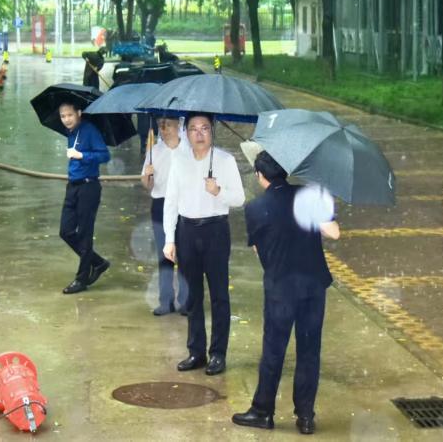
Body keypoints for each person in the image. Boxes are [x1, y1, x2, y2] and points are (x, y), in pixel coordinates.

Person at [232, 152, 340, 435]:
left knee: (273, 351)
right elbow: (334, 233)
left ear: (260, 176)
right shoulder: (308, 195)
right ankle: (305, 417)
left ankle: (263, 412)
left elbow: (260, 252)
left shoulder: (256, 208)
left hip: (281, 288)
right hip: (313, 286)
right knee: (309, 351)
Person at [163, 113, 244, 376]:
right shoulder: (179, 161)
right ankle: (196, 351)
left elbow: (239, 198)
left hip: (215, 230)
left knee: (219, 294)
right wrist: (169, 238)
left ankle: (218, 353)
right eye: (194, 129)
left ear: (212, 131)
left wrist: (218, 191)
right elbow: (171, 201)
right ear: (186, 132)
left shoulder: (225, 160)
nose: (199, 134)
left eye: (205, 128)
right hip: (187, 230)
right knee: (192, 295)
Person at [57, 102, 110, 295]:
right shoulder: (71, 133)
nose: (66, 119)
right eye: (63, 116)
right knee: (65, 231)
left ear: (79, 113)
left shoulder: (89, 130)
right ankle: (98, 262)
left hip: (89, 187)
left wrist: (81, 155)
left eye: (70, 115)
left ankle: (81, 279)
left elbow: (105, 155)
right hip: (73, 186)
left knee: (85, 234)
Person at [140, 116, 188, 316]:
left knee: (185, 254)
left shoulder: (188, 149)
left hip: (184, 205)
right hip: (160, 203)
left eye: (168, 125)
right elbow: (147, 185)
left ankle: (186, 300)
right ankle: (165, 301)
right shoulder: (154, 151)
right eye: (161, 125)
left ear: (178, 125)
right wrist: (147, 176)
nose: (164, 129)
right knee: (164, 253)